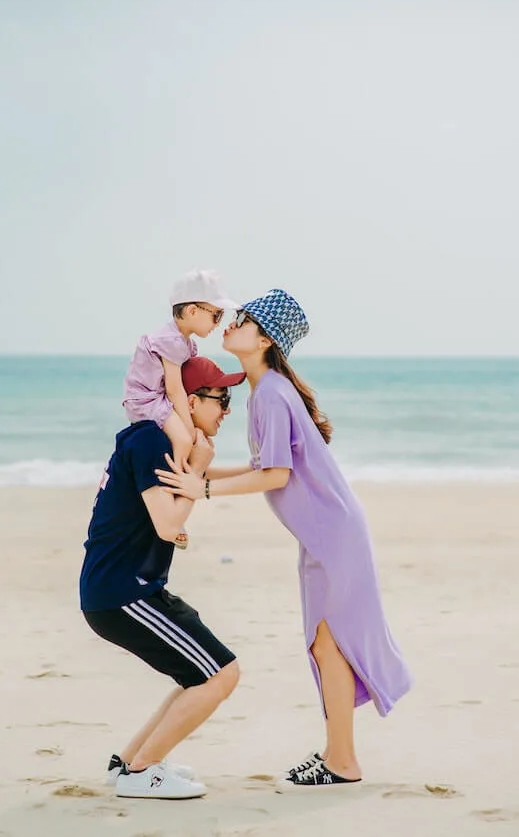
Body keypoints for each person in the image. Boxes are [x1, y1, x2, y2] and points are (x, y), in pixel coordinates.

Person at [156, 289, 413, 790]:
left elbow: (275, 475)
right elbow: (262, 468)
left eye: (243, 320)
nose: (230, 323)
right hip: (324, 537)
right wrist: (200, 471)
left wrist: (202, 488)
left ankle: (342, 761)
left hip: (334, 536)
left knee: (328, 645)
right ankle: (339, 755)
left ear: (265, 339)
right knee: (326, 647)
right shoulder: (264, 391)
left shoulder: (272, 393)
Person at [80, 356, 246, 799]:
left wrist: (265, 472)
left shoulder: (154, 440)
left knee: (201, 675)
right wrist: (196, 469)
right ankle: (142, 772)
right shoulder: (151, 441)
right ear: (190, 401)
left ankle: (129, 764)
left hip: (126, 590)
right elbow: (170, 525)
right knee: (220, 675)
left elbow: (199, 478)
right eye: (221, 399)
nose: (227, 409)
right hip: (122, 594)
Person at [122, 269, 239, 472]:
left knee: (183, 438)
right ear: (192, 311)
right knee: (184, 441)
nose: (218, 324)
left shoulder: (183, 342)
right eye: (216, 315)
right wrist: (190, 430)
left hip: (155, 399)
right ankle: (179, 479)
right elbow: (174, 389)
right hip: (146, 400)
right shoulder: (172, 341)